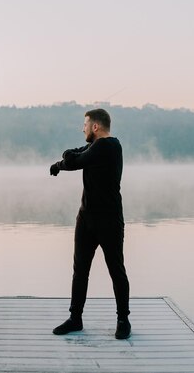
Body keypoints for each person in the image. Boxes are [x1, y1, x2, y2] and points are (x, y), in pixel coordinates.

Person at [49, 108, 131, 339]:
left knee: (116, 269)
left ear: (95, 126)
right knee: (80, 270)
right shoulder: (95, 146)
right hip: (86, 219)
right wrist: (61, 162)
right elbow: (78, 154)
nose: (82, 128)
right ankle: (75, 319)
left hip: (109, 221)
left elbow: (75, 160)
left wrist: (62, 159)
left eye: (85, 124)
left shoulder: (108, 146)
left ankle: (123, 320)